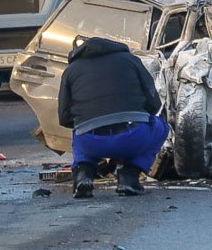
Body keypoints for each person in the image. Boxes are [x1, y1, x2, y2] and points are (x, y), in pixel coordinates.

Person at [58, 37, 169, 198]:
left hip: (91, 143)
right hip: (133, 136)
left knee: (79, 132)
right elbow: (154, 103)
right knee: (161, 127)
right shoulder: (131, 61)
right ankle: (129, 177)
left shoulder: (70, 71)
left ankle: (83, 176)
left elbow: (64, 117)